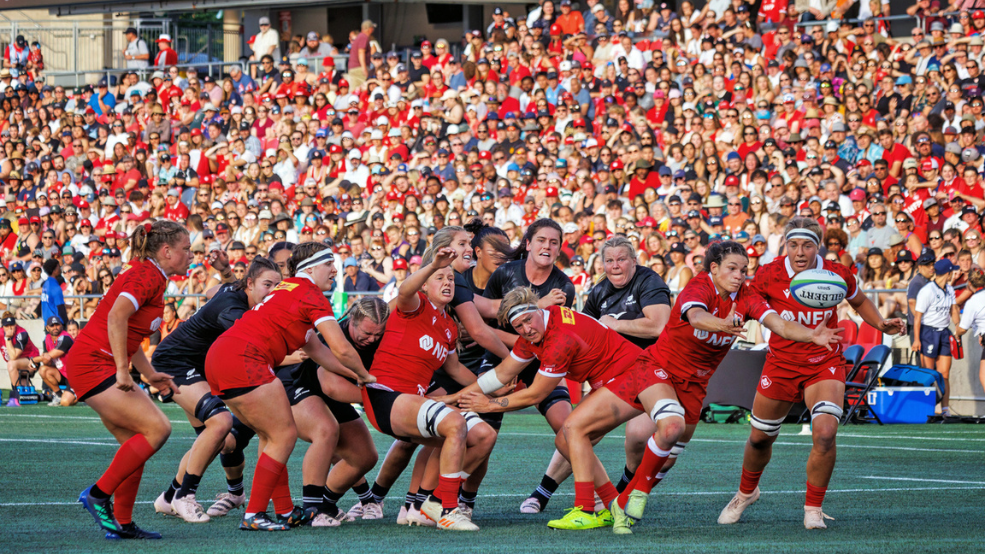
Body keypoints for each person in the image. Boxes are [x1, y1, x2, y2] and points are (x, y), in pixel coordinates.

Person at [718, 218, 905, 530]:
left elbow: (858, 300)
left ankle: (813, 508)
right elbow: (746, 302)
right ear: (785, 245)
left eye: (807, 244)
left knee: (825, 433)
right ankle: (746, 493)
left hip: (824, 362)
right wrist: (733, 318)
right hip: (780, 363)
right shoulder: (770, 272)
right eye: (793, 244)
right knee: (760, 439)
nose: (800, 251)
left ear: (819, 245)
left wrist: (881, 323)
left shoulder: (836, 272)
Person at [204, 241, 373, 532]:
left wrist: (354, 374)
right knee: (283, 435)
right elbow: (341, 348)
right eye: (328, 264)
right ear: (310, 268)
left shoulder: (289, 289)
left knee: (272, 436)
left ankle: (283, 510)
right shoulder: (310, 293)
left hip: (223, 355)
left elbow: (320, 353)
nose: (334, 270)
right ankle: (254, 513)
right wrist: (366, 376)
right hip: (246, 357)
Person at [349, 225, 508, 526]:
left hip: (415, 400)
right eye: (440, 277)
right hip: (386, 396)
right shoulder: (414, 304)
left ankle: (429, 503)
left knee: (484, 436)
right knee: (454, 423)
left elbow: (455, 370)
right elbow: (405, 289)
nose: (448, 281)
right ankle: (447, 509)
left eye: (451, 278)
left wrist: (493, 388)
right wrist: (434, 264)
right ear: (425, 283)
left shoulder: (448, 326)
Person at [454, 286, 647, 529]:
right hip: (617, 378)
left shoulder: (559, 337)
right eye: (518, 327)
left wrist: (489, 405)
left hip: (633, 377)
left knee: (572, 427)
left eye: (528, 320)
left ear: (538, 310)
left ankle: (586, 508)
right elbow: (502, 373)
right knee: (564, 439)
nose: (526, 329)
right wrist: (452, 399)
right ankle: (613, 505)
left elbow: (537, 393)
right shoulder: (538, 329)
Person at [520, 235, 673, 514]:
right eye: (609, 260)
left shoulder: (648, 281)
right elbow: (584, 331)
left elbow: (660, 326)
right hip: (610, 375)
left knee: (638, 437)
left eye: (621, 259)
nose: (615, 266)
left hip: (651, 372)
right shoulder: (600, 291)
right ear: (601, 264)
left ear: (634, 261)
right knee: (575, 431)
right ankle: (543, 492)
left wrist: (616, 324)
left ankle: (621, 492)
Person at [66, 220, 190, 540]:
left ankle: (121, 524)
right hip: (94, 364)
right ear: (166, 251)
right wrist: (123, 370)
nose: (191, 255)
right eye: (186, 249)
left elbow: (129, 330)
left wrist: (148, 373)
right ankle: (97, 495)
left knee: (135, 445)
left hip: (97, 363)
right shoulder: (147, 274)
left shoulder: (153, 276)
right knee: (158, 429)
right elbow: (116, 316)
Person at [151, 256, 279, 523]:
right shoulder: (233, 310)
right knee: (220, 424)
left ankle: (169, 497)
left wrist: (223, 271)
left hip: (196, 366)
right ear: (251, 283)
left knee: (220, 439)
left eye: (277, 287)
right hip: (175, 363)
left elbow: (214, 290)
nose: (272, 292)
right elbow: (254, 341)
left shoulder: (234, 289)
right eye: (267, 284)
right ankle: (184, 497)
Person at [912, 258, 960, 416]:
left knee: (944, 373)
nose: (953, 274)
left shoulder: (950, 289)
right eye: (952, 271)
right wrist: (917, 339)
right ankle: (928, 409)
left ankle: (945, 410)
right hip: (928, 333)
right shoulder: (927, 291)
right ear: (947, 273)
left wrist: (958, 330)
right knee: (928, 374)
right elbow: (918, 318)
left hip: (944, 332)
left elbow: (953, 310)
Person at [1, 310, 41, 407]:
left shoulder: (22, 333)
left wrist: (8, 339)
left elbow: (14, 356)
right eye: (6, 326)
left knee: (11, 364)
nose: (10, 328)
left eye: (12, 325)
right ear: (3, 327)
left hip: (31, 362)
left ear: (16, 324)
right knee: (24, 391)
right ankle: (39, 396)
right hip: (18, 366)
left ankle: (14, 397)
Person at [956, 268, 985, 397]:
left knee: (984, 376)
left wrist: (957, 332)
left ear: (969, 284)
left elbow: (962, 328)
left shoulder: (972, 302)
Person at [37, 315, 76, 407]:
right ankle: (58, 395)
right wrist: (45, 359)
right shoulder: (47, 339)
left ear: (61, 326)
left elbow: (52, 354)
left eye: (57, 325)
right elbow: (47, 360)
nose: (55, 327)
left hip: (74, 376)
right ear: (47, 328)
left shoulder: (65, 338)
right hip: (63, 373)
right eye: (52, 325)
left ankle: (82, 397)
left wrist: (33, 360)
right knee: (43, 369)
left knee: (65, 402)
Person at [41, 258, 67, 326]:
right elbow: (60, 307)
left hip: (47, 323)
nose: (60, 269)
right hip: (56, 324)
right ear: (54, 271)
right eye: (58, 267)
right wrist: (66, 323)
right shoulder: (55, 287)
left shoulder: (45, 285)